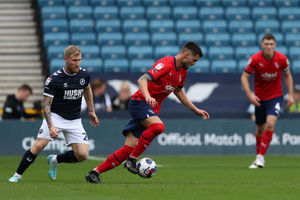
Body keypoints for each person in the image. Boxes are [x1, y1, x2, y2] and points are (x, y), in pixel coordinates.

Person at [85, 41, 210, 183]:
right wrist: (148, 96)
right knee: (158, 127)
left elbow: (179, 91)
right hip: (139, 103)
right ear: (186, 54)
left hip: (149, 108)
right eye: (194, 60)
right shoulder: (166, 63)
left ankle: (94, 173)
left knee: (129, 147)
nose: (194, 64)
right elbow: (142, 79)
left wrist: (195, 110)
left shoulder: (183, 71)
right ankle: (132, 160)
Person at [8, 45, 99, 182]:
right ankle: (17, 175)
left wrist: (91, 111)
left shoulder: (84, 75)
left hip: (74, 118)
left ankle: (55, 160)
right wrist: (51, 126)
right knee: (39, 145)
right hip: (55, 116)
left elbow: (87, 88)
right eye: (74, 60)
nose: (77, 63)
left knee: (82, 154)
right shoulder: (54, 79)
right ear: (66, 60)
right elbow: (46, 105)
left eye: (79, 60)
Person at [241, 33, 294, 169]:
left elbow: (287, 76)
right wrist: (250, 95)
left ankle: (260, 157)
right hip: (259, 99)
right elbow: (244, 77)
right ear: (262, 45)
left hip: (275, 97)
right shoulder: (255, 59)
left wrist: (291, 95)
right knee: (260, 129)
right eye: (266, 44)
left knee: (270, 123)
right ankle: (259, 156)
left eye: (271, 44)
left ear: (275, 45)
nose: (269, 47)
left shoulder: (282, 59)